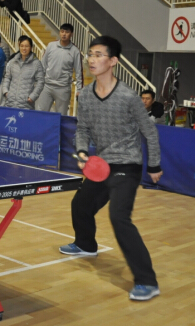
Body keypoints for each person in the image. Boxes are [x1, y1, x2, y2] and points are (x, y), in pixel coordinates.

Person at [61, 35, 163, 302]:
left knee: (119, 217)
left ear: (113, 61)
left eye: (98, 55)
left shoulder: (128, 97)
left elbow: (149, 131)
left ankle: (147, 281)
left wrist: (154, 164)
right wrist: (82, 151)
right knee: (81, 204)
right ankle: (85, 244)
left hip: (127, 164)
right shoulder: (86, 95)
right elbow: (82, 129)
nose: (92, 59)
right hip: (102, 163)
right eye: (90, 54)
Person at [37, 23, 83, 115]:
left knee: (61, 116)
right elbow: (43, 65)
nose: (64, 34)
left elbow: (79, 71)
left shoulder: (75, 51)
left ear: (72, 34)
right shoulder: (51, 45)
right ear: (59, 33)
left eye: (67, 32)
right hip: (47, 86)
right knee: (40, 114)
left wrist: (79, 90)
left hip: (63, 89)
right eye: (62, 31)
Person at [1, 36, 45, 109]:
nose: (24, 48)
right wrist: (5, 92)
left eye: (26, 46)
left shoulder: (36, 64)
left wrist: (32, 97)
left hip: (26, 104)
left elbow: (40, 81)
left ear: (31, 47)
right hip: (10, 102)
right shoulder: (13, 62)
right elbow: (7, 78)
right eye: (22, 46)